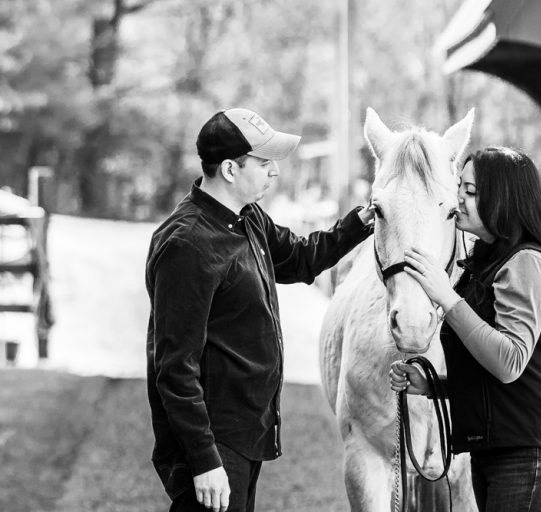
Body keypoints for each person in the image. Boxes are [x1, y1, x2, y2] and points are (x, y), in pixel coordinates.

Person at [146, 108, 374, 512]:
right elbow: (175, 367)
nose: (274, 173)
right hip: (215, 442)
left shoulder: (247, 218)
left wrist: (359, 223)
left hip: (245, 435)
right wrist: (204, 460)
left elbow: (302, 259)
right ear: (231, 169)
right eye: (264, 162)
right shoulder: (188, 244)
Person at [389, 147, 541, 511]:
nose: (458, 198)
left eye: (471, 191)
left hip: (529, 451)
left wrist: (448, 299)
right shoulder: (489, 263)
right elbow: (490, 373)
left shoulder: (526, 263)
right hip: (501, 447)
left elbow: (509, 361)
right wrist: (433, 386)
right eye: (459, 186)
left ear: (503, 198)